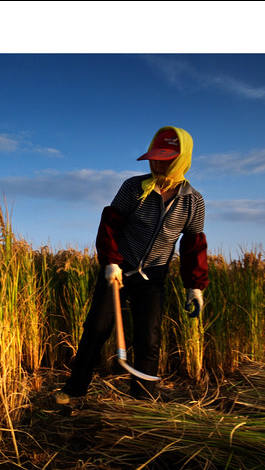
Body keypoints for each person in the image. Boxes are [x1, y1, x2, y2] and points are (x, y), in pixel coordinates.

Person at [55, 126, 209, 403]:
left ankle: (142, 401)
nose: (157, 163)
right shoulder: (133, 187)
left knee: (148, 339)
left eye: (165, 159)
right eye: (155, 158)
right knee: (96, 329)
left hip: (153, 276)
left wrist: (194, 287)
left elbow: (193, 245)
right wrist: (111, 263)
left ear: (181, 159)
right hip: (118, 270)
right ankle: (74, 390)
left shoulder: (193, 201)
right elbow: (110, 225)